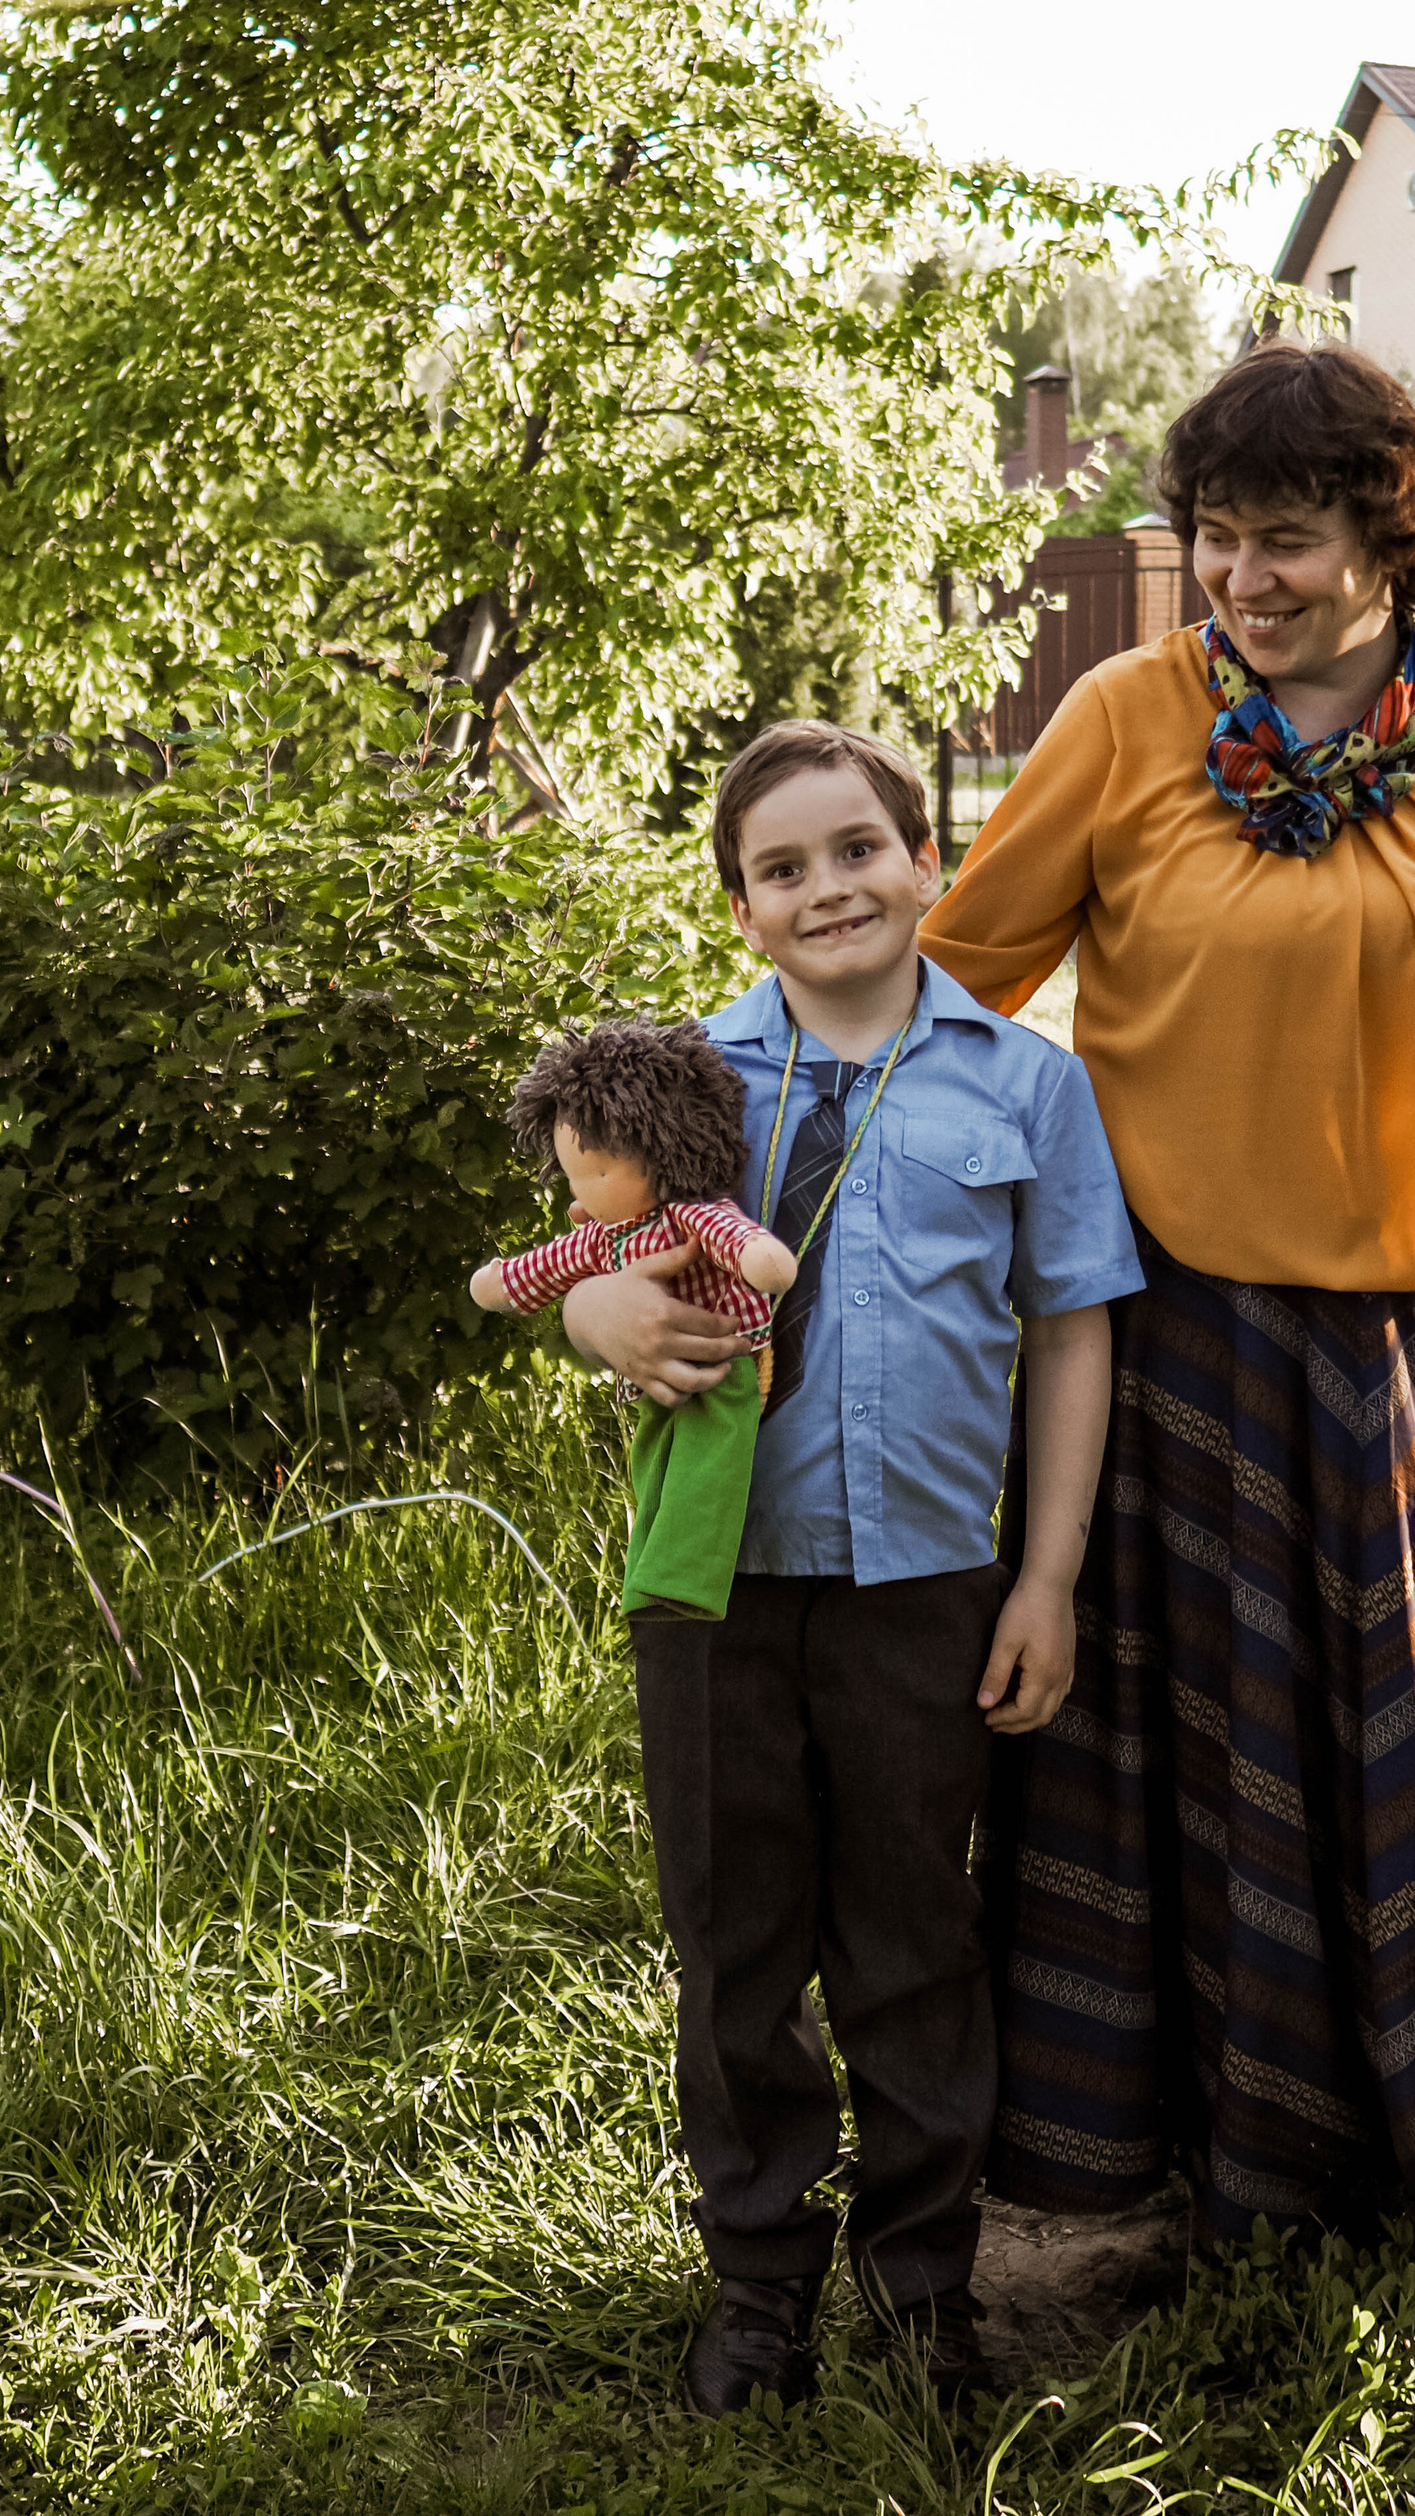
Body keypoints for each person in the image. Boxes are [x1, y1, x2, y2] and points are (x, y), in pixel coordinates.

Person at [916, 340, 1415, 2272]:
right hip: (1167, 1341)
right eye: (1214, 538)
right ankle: (1120, 2181)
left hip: (1412, 1356)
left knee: (1399, 1760)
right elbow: (956, 992)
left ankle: (1363, 2173)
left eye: (1284, 538)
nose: (1241, 577)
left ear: (1393, 529)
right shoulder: (1129, 715)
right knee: (1153, 1776)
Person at [552, 719, 1140, 2416]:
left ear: (928, 861)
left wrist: (1048, 1578)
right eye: (782, 867)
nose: (828, 887)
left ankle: (922, 2280)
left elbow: (1075, 1330)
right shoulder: (682, 1083)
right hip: (715, 1586)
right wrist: (594, 1306)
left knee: (913, 1929)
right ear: (740, 909)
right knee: (735, 1940)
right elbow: (579, 1251)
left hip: (929, 1582)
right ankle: (757, 2281)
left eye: (858, 848)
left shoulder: (1025, 1079)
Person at [467, 1019, 797, 1621]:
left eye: (600, 1173)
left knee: (709, 1461)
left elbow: (739, 1243)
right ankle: (652, 1574)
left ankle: (684, 1578)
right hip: (653, 1376)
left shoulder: (692, 1214)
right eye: (576, 1175)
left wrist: (760, 1259)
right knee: (654, 1459)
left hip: (725, 1359)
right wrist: (502, 1284)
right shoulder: (603, 1237)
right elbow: (543, 1268)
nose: (584, 1191)